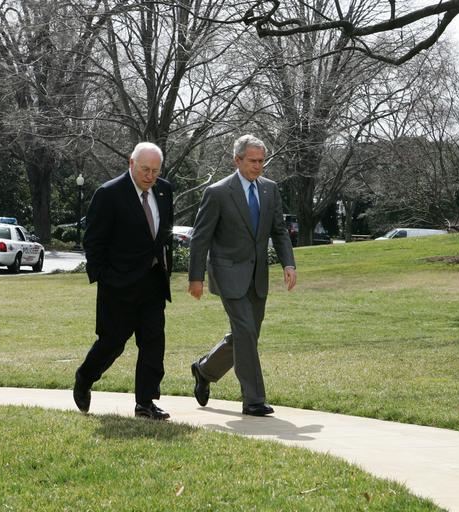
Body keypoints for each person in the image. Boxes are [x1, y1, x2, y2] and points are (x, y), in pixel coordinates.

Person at [187, 134, 297, 416]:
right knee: (246, 332)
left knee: (246, 335)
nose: (258, 166)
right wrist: (195, 277)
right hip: (227, 274)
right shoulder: (218, 192)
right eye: (252, 161)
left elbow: (279, 231)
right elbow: (200, 237)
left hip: (258, 276)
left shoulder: (270, 190)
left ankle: (204, 370)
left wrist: (288, 264)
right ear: (237, 160)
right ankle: (254, 399)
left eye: (261, 161)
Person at [73, 142, 174, 420]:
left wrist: (167, 268)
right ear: (131, 163)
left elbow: (164, 234)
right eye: (145, 169)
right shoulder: (109, 193)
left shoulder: (164, 190)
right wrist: (104, 277)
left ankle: (146, 402)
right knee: (112, 342)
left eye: (155, 171)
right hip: (118, 286)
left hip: (153, 282)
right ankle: (85, 377)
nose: (150, 176)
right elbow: (93, 241)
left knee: (153, 342)